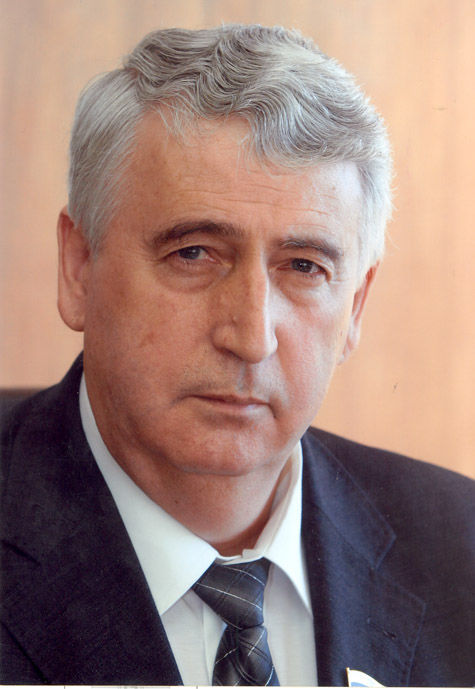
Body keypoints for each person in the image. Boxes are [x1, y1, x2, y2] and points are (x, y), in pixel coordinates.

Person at [1, 24, 473, 687]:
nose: (251, 337)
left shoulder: (461, 548)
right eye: (193, 253)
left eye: (303, 266)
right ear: (79, 267)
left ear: (355, 306)